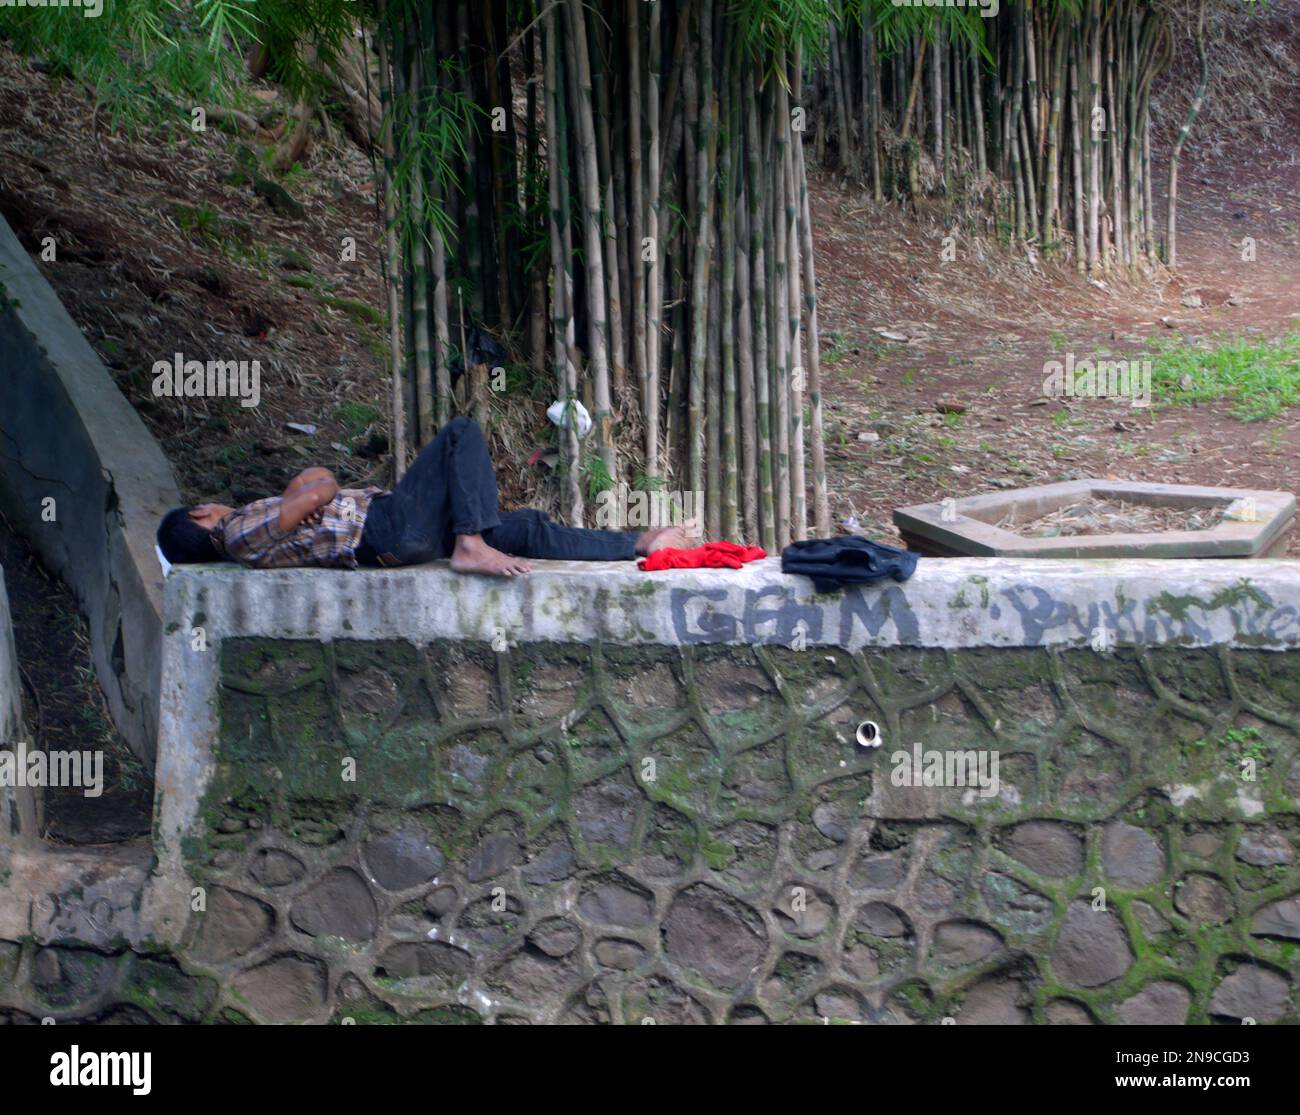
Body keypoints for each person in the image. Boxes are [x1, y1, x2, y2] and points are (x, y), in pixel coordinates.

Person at [156, 416, 694, 576]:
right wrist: (309, 491)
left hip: (400, 541)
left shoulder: (253, 539)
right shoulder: (239, 529)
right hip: (383, 528)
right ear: (202, 515)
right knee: (461, 433)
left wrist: (306, 492)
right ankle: (470, 547)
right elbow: (319, 485)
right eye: (211, 507)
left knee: (525, 528)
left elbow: (310, 491)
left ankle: (642, 541)